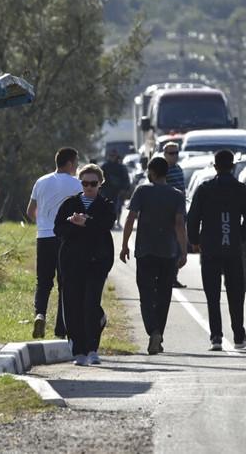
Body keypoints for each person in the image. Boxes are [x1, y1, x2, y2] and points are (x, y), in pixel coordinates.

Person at [187, 150, 246, 351]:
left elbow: (193, 218)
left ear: (215, 166)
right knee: (236, 294)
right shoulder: (241, 190)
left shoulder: (205, 189)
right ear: (233, 166)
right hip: (233, 249)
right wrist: (240, 236)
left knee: (212, 295)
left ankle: (216, 337)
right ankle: (238, 335)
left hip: (210, 248)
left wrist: (194, 241)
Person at [120, 157, 187, 355]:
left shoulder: (142, 191)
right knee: (164, 295)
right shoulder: (176, 195)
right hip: (168, 252)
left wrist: (124, 245)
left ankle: (153, 331)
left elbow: (130, 218)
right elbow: (179, 225)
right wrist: (183, 251)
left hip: (145, 251)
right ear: (166, 172)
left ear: (151, 172)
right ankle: (159, 332)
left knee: (146, 294)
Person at [54, 164, 115, 366]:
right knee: (73, 306)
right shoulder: (70, 204)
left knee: (90, 304)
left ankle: (92, 349)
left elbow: (105, 225)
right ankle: (78, 350)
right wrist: (73, 224)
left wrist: (86, 222)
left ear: (100, 184)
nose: (88, 187)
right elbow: (58, 228)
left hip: (97, 263)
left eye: (93, 183)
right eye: (85, 183)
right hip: (71, 263)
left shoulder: (106, 205)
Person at [26, 147, 82, 339]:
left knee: (43, 282)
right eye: (76, 162)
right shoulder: (77, 185)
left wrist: (42, 223)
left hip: (43, 237)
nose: (77, 166)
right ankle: (61, 327)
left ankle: (40, 314)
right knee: (65, 283)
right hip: (65, 238)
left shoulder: (41, 181)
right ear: (69, 163)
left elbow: (30, 210)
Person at [163, 142, 187, 289]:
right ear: (165, 154)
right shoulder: (163, 170)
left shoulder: (178, 169)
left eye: (176, 153)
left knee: (179, 244)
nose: (174, 156)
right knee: (170, 245)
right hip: (168, 212)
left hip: (180, 210)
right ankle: (168, 276)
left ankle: (173, 276)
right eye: (171, 153)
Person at [100, 149, 130, 229]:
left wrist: (124, 189)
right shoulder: (104, 167)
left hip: (118, 191)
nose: (112, 157)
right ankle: (109, 222)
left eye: (114, 156)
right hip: (107, 191)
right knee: (107, 208)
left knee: (118, 207)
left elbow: (126, 179)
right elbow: (100, 178)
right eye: (111, 156)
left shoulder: (121, 167)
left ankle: (118, 222)